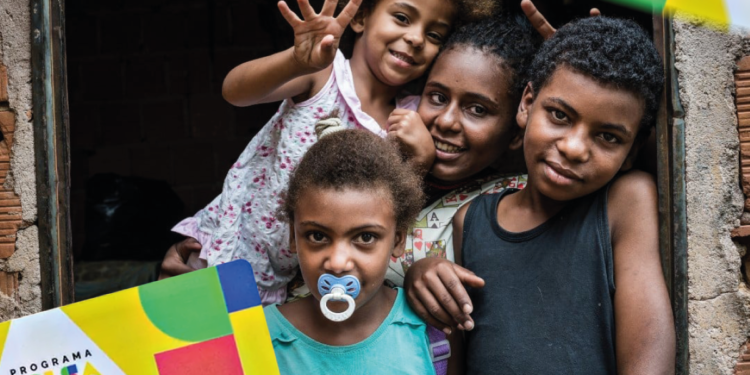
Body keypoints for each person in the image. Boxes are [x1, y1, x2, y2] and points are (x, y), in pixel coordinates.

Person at [405, 16, 675, 374]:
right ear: (527, 103)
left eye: (608, 137)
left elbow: (649, 362)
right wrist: (420, 274)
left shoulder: (625, 202)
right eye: (560, 115)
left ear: (632, 150)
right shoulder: (470, 219)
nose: (575, 148)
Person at [167, 0, 473, 305]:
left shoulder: (407, 122)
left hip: (282, 287)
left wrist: (421, 159)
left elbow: (392, 208)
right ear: (361, 17)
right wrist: (297, 62)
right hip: (221, 248)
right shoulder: (323, 74)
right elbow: (234, 92)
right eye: (403, 18)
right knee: (180, 344)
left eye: (434, 35)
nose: (417, 38)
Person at [266, 127, 461, 374]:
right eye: (317, 236)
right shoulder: (255, 337)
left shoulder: (433, 331)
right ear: (293, 237)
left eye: (365, 237)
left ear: (398, 241)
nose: (337, 263)